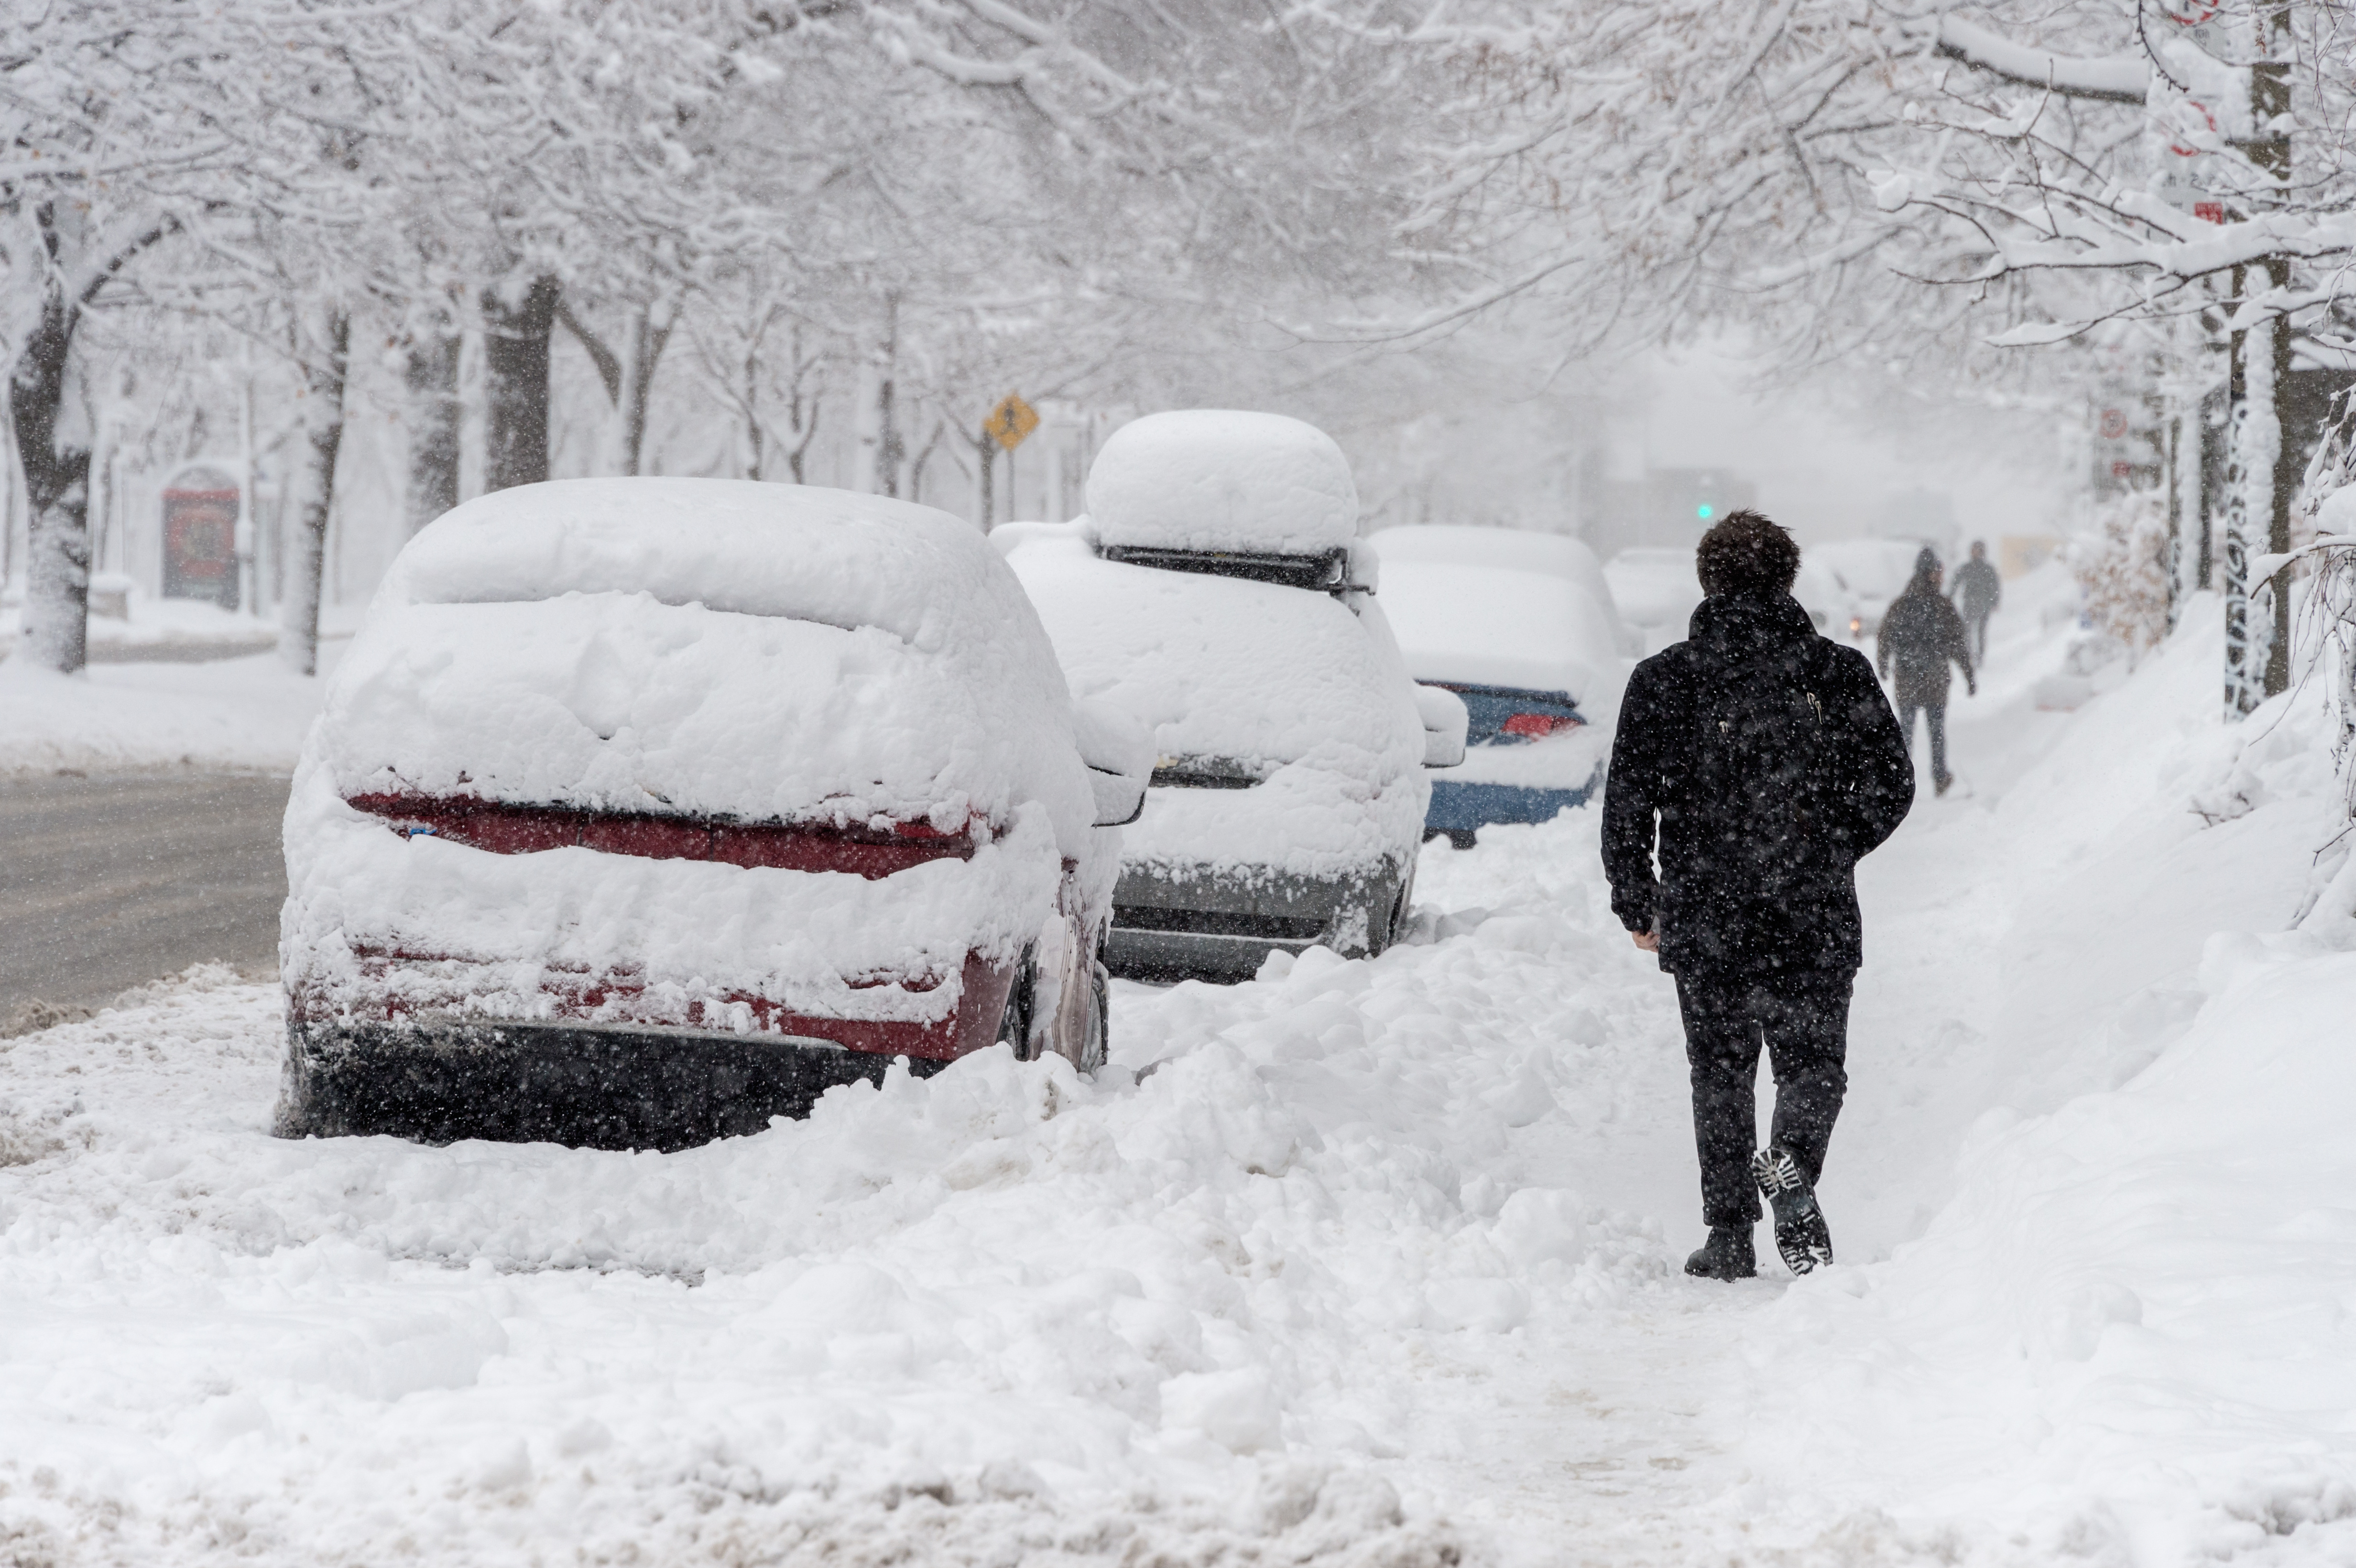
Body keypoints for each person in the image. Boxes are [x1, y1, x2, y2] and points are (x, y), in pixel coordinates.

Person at [1603, 512, 1913, 1281]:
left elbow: (1628, 798)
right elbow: (1893, 782)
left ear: (1707, 582)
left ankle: (1731, 1236)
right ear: (1788, 581)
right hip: (1810, 910)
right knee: (1813, 1066)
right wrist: (1832, 845)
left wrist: (1637, 898)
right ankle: (1792, 1159)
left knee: (1720, 1070)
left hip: (1707, 910)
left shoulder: (1665, 679)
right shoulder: (1836, 674)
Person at [1877, 548, 1975, 797]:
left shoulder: (1900, 605)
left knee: (1905, 733)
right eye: (1938, 571)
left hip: (1908, 679)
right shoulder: (1943, 606)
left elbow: (1885, 637)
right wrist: (1969, 675)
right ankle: (1940, 777)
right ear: (1929, 573)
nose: (1941, 575)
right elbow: (1958, 645)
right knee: (1936, 732)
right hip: (1934, 681)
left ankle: (1897, 780)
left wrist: (1883, 664)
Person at [1950, 540, 2002, 664]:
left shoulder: (1988, 569)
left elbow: (1995, 586)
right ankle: (1968, 654)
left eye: (1977, 550)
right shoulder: (1967, 567)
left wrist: (1995, 601)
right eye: (1973, 550)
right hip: (1970, 603)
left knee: (1981, 631)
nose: (1975, 552)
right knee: (1967, 630)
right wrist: (1949, 596)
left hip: (1984, 605)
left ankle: (1980, 656)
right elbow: (1956, 582)